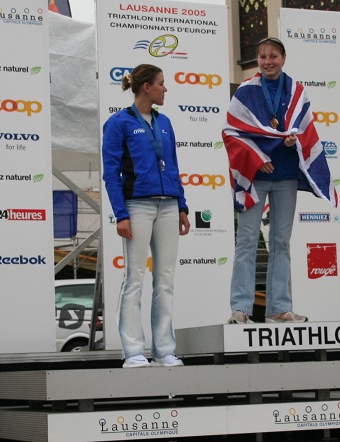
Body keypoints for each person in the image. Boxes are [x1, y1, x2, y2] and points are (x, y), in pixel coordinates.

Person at [222, 37, 336, 324]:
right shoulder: (246, 90)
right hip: (255, 175)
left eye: (273, 56)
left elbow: (306, 130)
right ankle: (241, 309)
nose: (267, 61)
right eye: (262, 56)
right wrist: (258, 156)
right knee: (247, 241)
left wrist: (294, 141)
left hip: (285, 175)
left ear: (283, 58)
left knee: (281, 242)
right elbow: (232, 131)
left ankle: (279, 309)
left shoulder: (297, 91)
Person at [102, 64, 191, 368]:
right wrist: (121, 214)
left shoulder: (165, 122)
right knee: (135, 278)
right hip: (137, 206)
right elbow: (111, 174)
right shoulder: (118, 123)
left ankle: (164, 350)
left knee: (164, 279)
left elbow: (173, 166)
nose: (166, 88)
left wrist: (182, 206)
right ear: (146, 87)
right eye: (161, 83)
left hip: (168, 206)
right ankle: (133, 351)